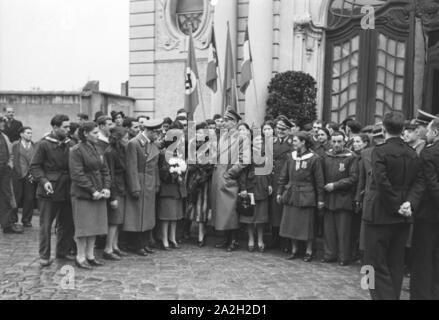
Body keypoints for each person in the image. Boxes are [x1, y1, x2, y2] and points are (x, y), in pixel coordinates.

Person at [363, 111, 424, 300]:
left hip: (380, 214)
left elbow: (382, 182)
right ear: (403, 130)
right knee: (395, 263)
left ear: (383, 128)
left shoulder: (379, 151)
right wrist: (408, 203)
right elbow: (419, 182)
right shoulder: (412, 153)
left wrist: (398, 204)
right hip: (402, 215)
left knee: (374, 263)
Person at [30, 114, 75, 267]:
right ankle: (44, 256)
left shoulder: (71, 143)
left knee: (67, 222)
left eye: (69, 127)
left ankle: (62, 251)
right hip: (50, 189)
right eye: (65, 127)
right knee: (46, 224)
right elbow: (35, 166)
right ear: (55, 128)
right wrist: (43, 181)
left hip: (68, 188)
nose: (68, 130)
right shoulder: (43, 144)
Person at [277, 131, 324, 262]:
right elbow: (283, 176)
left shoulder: (314, 158)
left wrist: (320, 199)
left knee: (306, 224)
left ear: (303, 142)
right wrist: (280, 192)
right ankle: (294, 250)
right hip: (291, 193)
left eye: (295, 140)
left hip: (306, 195)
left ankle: (308, 251)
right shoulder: (290, 156)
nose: (292, 143)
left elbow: (319, 181)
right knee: (292, 223)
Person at [69, 122, 111, 269]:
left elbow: (105, 170)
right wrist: (92, 190)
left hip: (98, 192)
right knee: (83, 227)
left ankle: (90, 255)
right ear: (85, 133)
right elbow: (77, 174)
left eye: (97, 132)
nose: (97, 135)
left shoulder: (98, 148)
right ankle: (80, 257)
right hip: (83, 194)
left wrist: (106, 187)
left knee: (95, 226)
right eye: (94, 133)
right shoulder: (76, 150)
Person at [410, 118, 439, 300]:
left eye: (428, 131)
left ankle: (422, 295)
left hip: (428, 213)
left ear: (435, 132)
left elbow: (431, 184)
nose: (426, 134)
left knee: (423, 257)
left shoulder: (429, 154)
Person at [125, 119, 162, 256]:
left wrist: (157, 183)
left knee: (147, 216)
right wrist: (134, 187)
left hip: (150, 184)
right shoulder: (134, 143)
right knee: (137, 216)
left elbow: (155, 168)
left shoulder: (152, 145)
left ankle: (145, 242)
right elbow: (131, 168)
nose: (158, 136)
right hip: (140, 182)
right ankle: (137, 244)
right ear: (150, 131)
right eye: (157, 133)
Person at [211, 109, 247, 252]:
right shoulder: (222, 137)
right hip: (217, 176)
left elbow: (244, 160)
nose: (224, 123)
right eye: (224, 120)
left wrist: (230, 173)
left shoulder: (241, 138)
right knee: (221, 210)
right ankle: (225, 238)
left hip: (228, 177)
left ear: (235, 122)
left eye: (227, 121)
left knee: (230, 210)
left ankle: (233, 239)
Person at [321, 131, 358, 266]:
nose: (337, 144)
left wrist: (335, 185)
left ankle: (344, 257)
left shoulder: (351, 157)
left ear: (345, 141)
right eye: (334, 141)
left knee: (343, 230)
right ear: (331, 141)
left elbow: (353, 178)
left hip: (343, 198)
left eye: (339, 141)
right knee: (329, 229)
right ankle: (329, 254)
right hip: (328, 198)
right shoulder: (326, 155)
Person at [238, 123, 272, 253]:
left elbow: (269, 170)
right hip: (250, 187)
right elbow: (243, 173)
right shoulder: (248, 154)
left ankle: (260, 239)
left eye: (260, 140)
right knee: (249, 216)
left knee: (261, 217)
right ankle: (251, 239)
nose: (258, 142)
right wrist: (243, 188)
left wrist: (269, 184)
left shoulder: (267, 154)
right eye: (256, 140)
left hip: (262, 186)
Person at [157, 124, 187, 250]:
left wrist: (182, 172)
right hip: (168, 189)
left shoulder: (179, 154)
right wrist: (175, 175)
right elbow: (162, 172)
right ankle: (164, 239)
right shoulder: (164, 154)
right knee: (166, 216)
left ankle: (172, 237)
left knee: (175, 215)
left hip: (178, 189)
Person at [103, 126, 130, 261]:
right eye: (125, 138)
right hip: (115, 189)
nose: (127, 140)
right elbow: (110, 175)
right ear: (118, 139)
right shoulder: (110, 152)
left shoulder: (121, 150)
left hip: (122, 188)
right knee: (113, 221)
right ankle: (108, 248)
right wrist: (112, 197)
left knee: (118, 220)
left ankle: (115, 246)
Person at [268, 116, 294, 252]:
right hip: (274, 179)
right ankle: (275, 239)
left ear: (289, 130)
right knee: (274, 211)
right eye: (278, 128)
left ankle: (286, 241)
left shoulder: (293, 144)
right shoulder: (272, 143)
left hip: (287, 180)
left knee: (285, 211)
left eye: (284, 129)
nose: (280, 131)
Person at [186, 122, 214, 247]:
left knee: (202, 206)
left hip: (204, 180)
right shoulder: (191, 145)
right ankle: (189, 231)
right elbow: (189, 162)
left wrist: (204, 171)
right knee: (192, 204)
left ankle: (201, 234)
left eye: (201, 132)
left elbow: (212, 163)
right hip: (193, 179)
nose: (199, 134)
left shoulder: (210, 146)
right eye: (197, 132)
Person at [0, 115, 23, 234]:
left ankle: (7, 225)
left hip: (5, 172)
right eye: (1, 122)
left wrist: (9, 165)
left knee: (7, 197)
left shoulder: (4, 136)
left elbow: (9, 154)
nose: (3, 124)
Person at [11, 126, 37, 228]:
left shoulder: (35, 146)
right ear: (21, 134)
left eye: (31, 133)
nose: (30, 135)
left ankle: (26, 220)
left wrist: (34, 174)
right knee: (16, 198)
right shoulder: (15, 146)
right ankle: (13, 219)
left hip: (30, 176)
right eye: (28, 133)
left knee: (29, 199)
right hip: (17, 175)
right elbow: (11, 158)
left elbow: (37, 161)